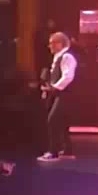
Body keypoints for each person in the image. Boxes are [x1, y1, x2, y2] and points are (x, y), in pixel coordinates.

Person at [38, 31, 78, 162]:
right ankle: (67, 150)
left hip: (66, 94)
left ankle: (53, 152)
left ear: (60, 44)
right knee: (63, 122)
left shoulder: (67, 57)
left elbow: (68, 76)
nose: (49, 46)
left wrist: (54, 88)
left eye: (52, 43)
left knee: (53, 120)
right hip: (61, 93)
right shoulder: (58, 57)